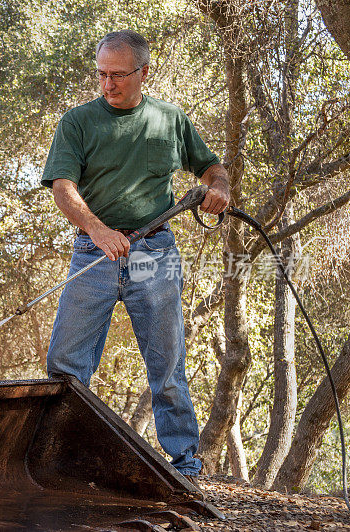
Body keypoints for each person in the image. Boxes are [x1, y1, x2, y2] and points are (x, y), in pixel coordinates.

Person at [40, 30, 230, 485]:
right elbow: (63, 188)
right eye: (102, 74)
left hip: (153, 254)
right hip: (94, 254)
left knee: (166, 366)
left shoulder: (170, 120)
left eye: (118, 75)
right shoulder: (78, 122)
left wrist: (219, 187)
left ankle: (185, 467)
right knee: (66, 367)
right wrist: (97, 229)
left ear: (144, 72)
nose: (108, 84)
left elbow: (211, 166)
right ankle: (62, 464)